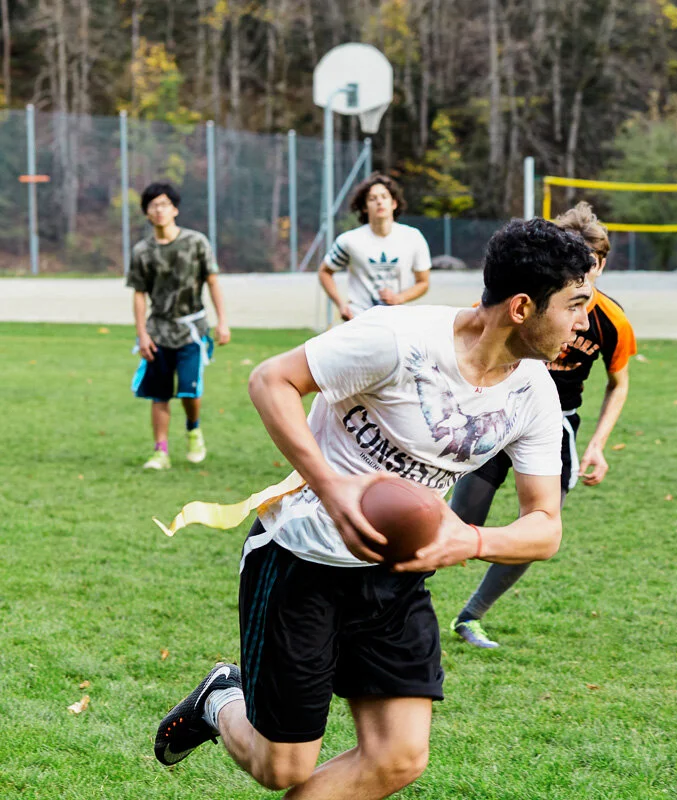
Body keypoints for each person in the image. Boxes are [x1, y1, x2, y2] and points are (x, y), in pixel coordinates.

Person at [153, 218, 594, 800]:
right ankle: (219, 699)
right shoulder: (396, 339)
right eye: (575, 305)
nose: (584, 322)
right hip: (300, 562)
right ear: (520, 307)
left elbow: (545, 527)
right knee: (280, 768)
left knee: (398, 758)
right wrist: (332, 489)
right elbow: (270, 381)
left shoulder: (533, 393)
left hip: (395, 578)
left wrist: (472, 540)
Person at [450, 202, 636, 649]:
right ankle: (402, 595)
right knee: (460, 521)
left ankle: (471, 616)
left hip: (557, 428)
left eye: (587, 267)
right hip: (497, 416)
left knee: (536, 525)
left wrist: (598, 445)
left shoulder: (611, 320)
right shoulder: (519, 302)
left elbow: (619, 383)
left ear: (601, 264)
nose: (579, 280)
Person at [127, 181, 230, 469]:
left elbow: (212, 281)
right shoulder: (142, 251)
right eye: (153, 206)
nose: (159, 211)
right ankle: (161, 451)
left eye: (164, 205)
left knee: (189, 390)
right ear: (146, 213)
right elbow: (138, 294)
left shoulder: (196, 242)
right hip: (158, 331)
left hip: (191, 331)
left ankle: (193, 428)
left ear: (174, 209)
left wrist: (223, 322)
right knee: (159, 394)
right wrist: (142, 333)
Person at [318, 173, 432, 322]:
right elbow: (325, 272)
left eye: (384, 197)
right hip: (359, 319)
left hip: (397, 320)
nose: (379, 202)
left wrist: (399, 298)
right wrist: (341, 305)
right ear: (364, 207)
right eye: (372, 198)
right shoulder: (349, 240)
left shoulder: (413, 237)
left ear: (394, 203)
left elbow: (423, 282)